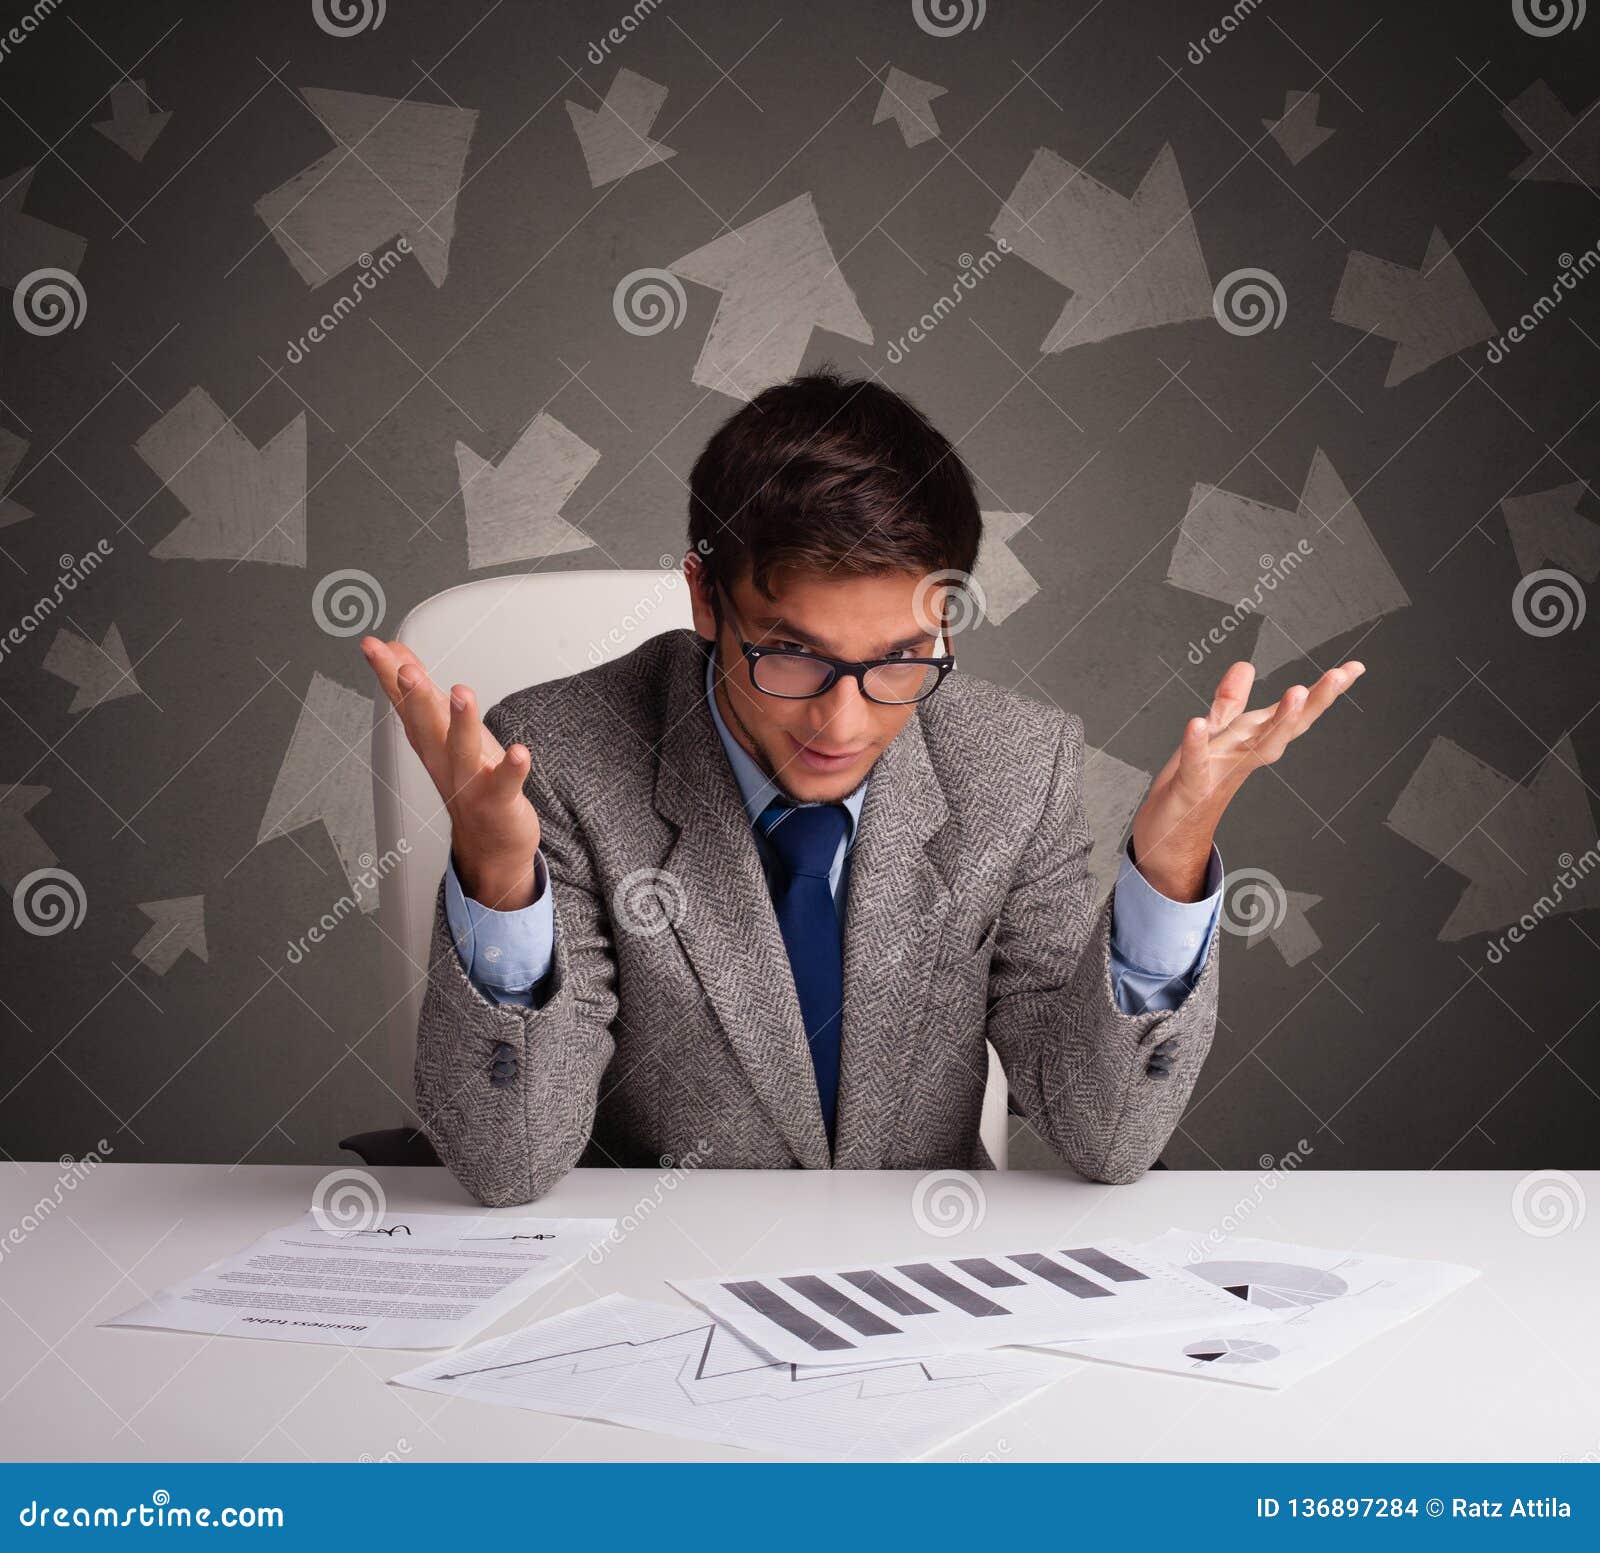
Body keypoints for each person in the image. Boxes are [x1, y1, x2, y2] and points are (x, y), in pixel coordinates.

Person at [361, 370, 1362, 1206]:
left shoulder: (1018, 764)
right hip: (650, 1278)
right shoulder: (559, 757)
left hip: (924, 1274)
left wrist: (1172, 861)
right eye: (792, 655)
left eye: (899, 659)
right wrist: (500, 877)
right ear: (705, 598)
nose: (841, 724)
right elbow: (507, 1163)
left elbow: (1105, 1137)